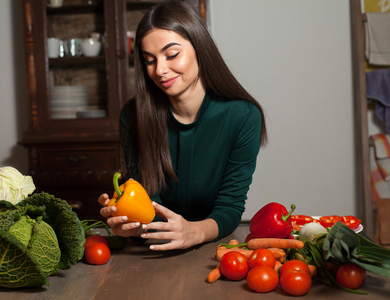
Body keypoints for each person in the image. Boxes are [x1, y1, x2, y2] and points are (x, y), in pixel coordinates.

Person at [98, 0, 267, 251]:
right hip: (152, 251)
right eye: (149, 60)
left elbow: (230, 208)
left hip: (213, 248)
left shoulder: (242, 116)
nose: (161, 70)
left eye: (172, 54)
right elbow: (148, 204)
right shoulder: (133, 115)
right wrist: (130, 224)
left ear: (200, 48)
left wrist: (194, 232)